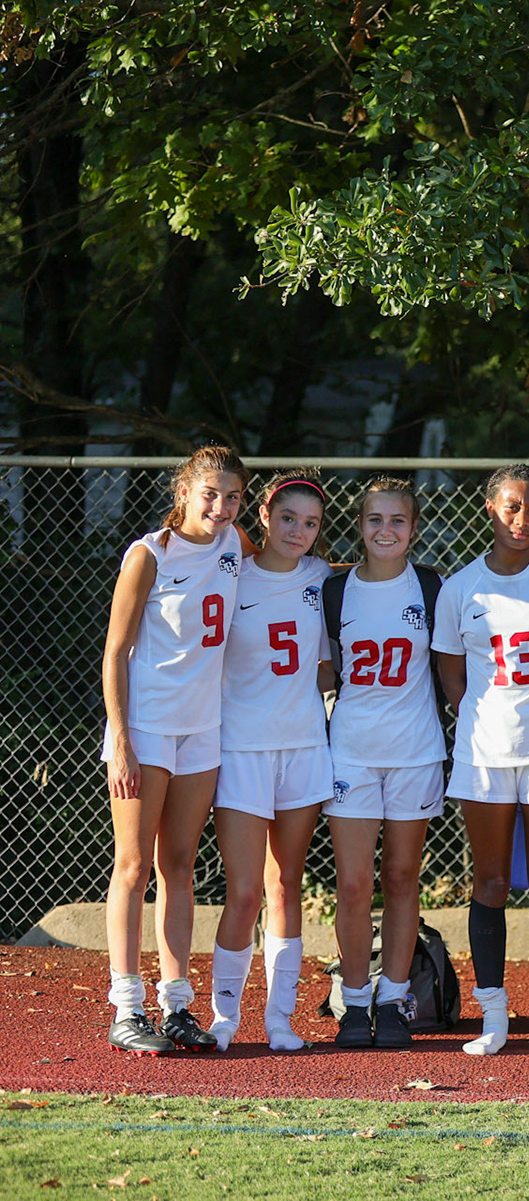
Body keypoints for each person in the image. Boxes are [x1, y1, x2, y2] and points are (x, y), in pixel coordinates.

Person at [432, 464, 529, 1057]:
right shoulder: (461, 587)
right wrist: (482, 716)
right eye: (510, 506)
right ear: (489, 507)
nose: (521, 519)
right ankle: (493, 1015)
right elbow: (451, 671)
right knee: (492, 880)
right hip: (484, 753)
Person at [98, 445, 249, 1054]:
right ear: (184, 490)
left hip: (203, 730)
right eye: (209, 493)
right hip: (148, 727)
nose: (220, 506)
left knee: (180, 866)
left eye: (232, 496)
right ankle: (126, 1007)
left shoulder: (235, 543)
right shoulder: (149, 555)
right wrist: (122, 737)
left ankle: (176, 1004)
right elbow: (114, 652)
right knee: (133, 866)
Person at [202, 472, 334, 1052]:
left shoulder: (325, 579)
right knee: (244, 891)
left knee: (286, 885)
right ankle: (224, 1016)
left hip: (304, 747)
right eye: (287, 519)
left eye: (310, 523)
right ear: (263, 515)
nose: (297, 532)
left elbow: (331, 666)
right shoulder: (232, 576)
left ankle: (279, 1018)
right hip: (241, 749)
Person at [323, 477, 446, 1050]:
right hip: (351, 750)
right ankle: (353, 1001)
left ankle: (394, 998)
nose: (385, 530)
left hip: (415, 752)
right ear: (360, 525)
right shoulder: (334, 591)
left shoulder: (430, 587)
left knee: (401, 878)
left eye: (397, 520)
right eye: (375, 520)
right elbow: (325, 671)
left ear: (413, 528)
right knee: (352, 884)